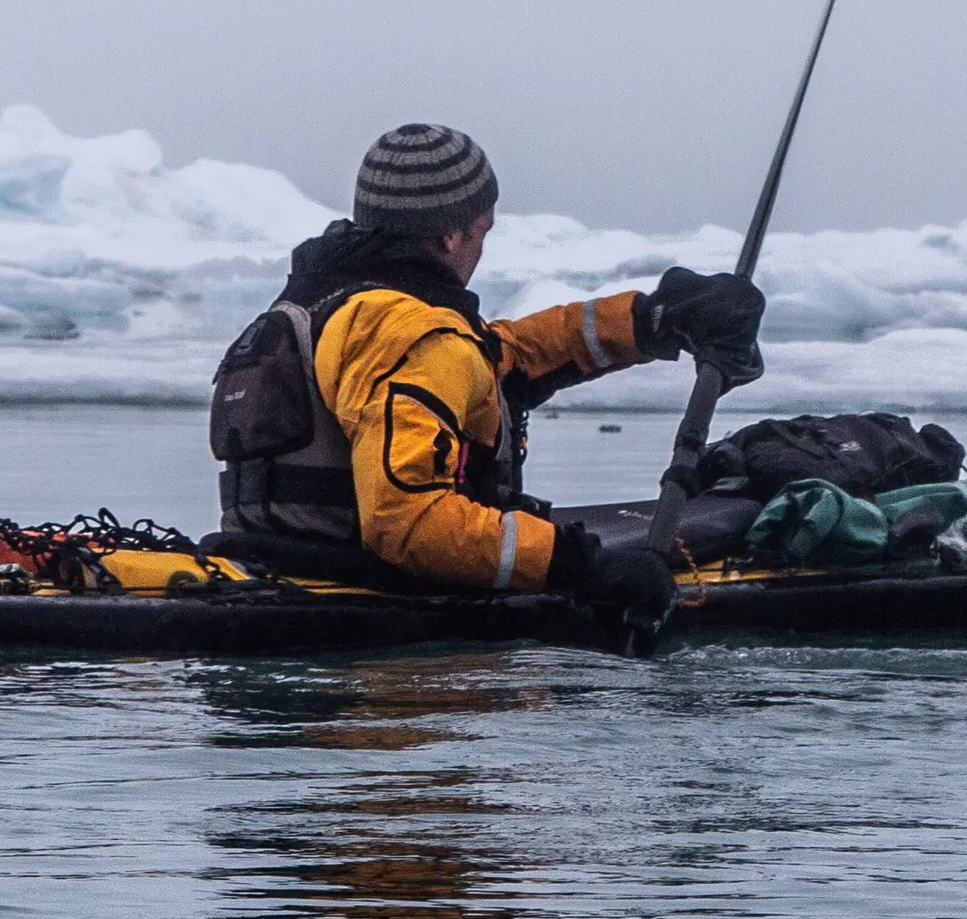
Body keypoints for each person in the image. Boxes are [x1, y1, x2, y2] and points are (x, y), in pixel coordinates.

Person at [209, 122, 767, 625]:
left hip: (286, 557)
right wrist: (584, 568)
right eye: (483, 230)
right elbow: (410, 523)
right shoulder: (415, 333)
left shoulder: (337, 305)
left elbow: (504, 358)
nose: (480, 247)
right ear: (450, 236)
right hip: (377, 608)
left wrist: (654, 319)